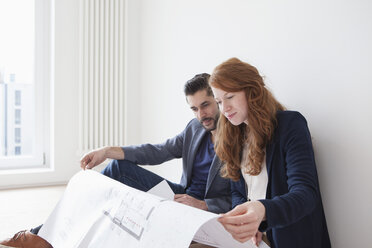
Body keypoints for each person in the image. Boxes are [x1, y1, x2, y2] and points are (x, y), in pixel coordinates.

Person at [0, 73, 231, 248]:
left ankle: (41, 236)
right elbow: (157, 151)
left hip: (203, 209)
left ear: (218, 100)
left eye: (205, 105)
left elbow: (242, 195)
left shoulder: (237, 138)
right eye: (194, 109)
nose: (201, 114)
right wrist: (107, 150)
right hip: (181, 196)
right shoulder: (194, 128)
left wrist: (205, 205)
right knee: (116, 169)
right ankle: (45, 234)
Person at [209, 58, 331, 248]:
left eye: (230, 97)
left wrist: (262, 211)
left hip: (292, 239)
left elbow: (305, 194)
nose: (224, 109)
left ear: (252, 91)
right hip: (254, 240)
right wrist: (248, 220)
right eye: (218, 101)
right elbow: (238, 191)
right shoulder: (235, 135)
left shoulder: (290, 125)